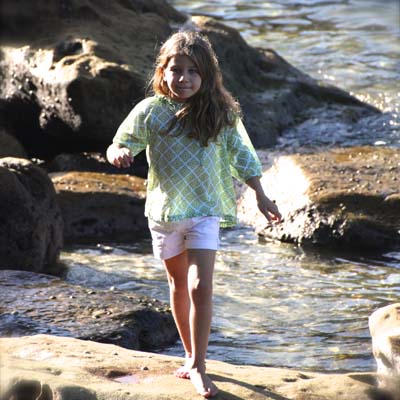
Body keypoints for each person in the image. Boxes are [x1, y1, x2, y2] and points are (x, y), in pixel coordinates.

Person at [106, 30, 281, 398]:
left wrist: (261, 195)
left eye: (193, 71)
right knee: (177, 285)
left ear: (207, 75)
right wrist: (118, 153)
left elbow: (243, 156)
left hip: (205, 210)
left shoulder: (220, 113)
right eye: (176, 70)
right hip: (165, 212)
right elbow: (120, 143)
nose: (183, 78)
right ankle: (189, 355)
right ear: (162, 71)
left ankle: (200, 364)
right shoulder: (151, 110)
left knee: (200, 285)